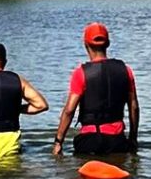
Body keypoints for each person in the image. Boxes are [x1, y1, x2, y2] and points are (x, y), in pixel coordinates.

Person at [52, 22, 139, 156]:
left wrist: (59, 142)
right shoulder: (125, 70)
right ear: (108, 44)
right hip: (117, 140)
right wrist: (133, 138)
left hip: (90, 140)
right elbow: (133, 107)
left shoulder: (81, 73)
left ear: (86, 45)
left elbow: (69, 110)